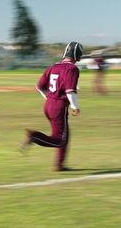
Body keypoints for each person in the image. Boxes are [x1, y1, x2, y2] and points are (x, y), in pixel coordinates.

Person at [19, 41, 83, 172]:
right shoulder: (72, 69)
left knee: (64, 135)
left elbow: (39, 87)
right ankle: (34, 136)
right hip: (59, 107)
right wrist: (75, 106)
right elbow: (70, 90)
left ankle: (59, 165)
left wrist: (49, 98)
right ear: (78, 55)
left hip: (48, 105)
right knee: (60, 140)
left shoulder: (53, 67)